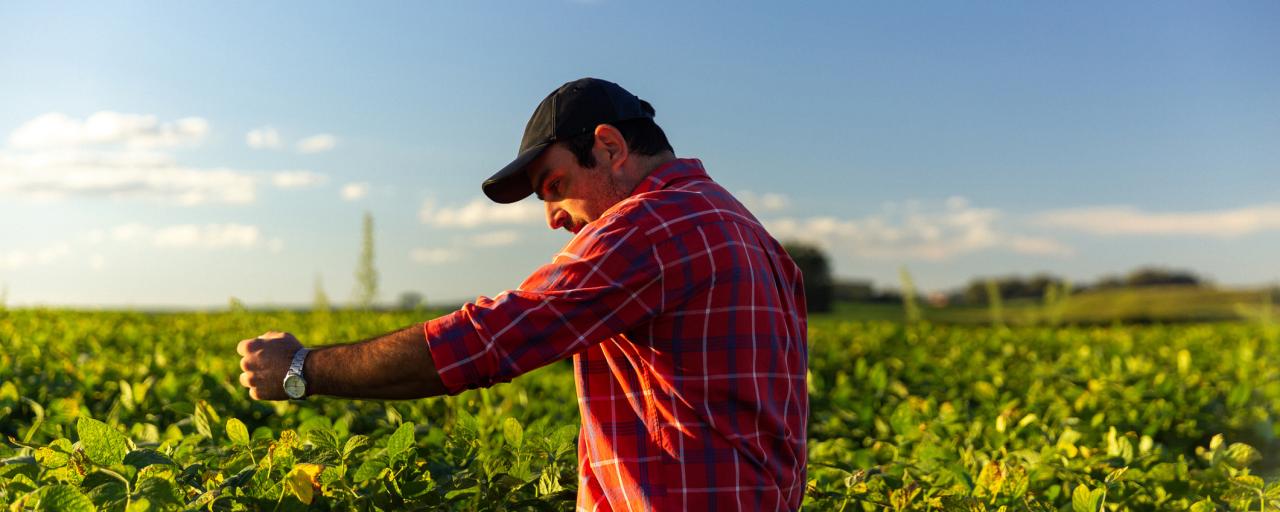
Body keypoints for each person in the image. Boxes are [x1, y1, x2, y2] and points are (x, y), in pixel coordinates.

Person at [237, 77, 809, 511]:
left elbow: (489, 340)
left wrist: (302, 368)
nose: (554, 217)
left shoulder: (652, 226)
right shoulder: (748, 231)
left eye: (554, 187)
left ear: (609, 148)